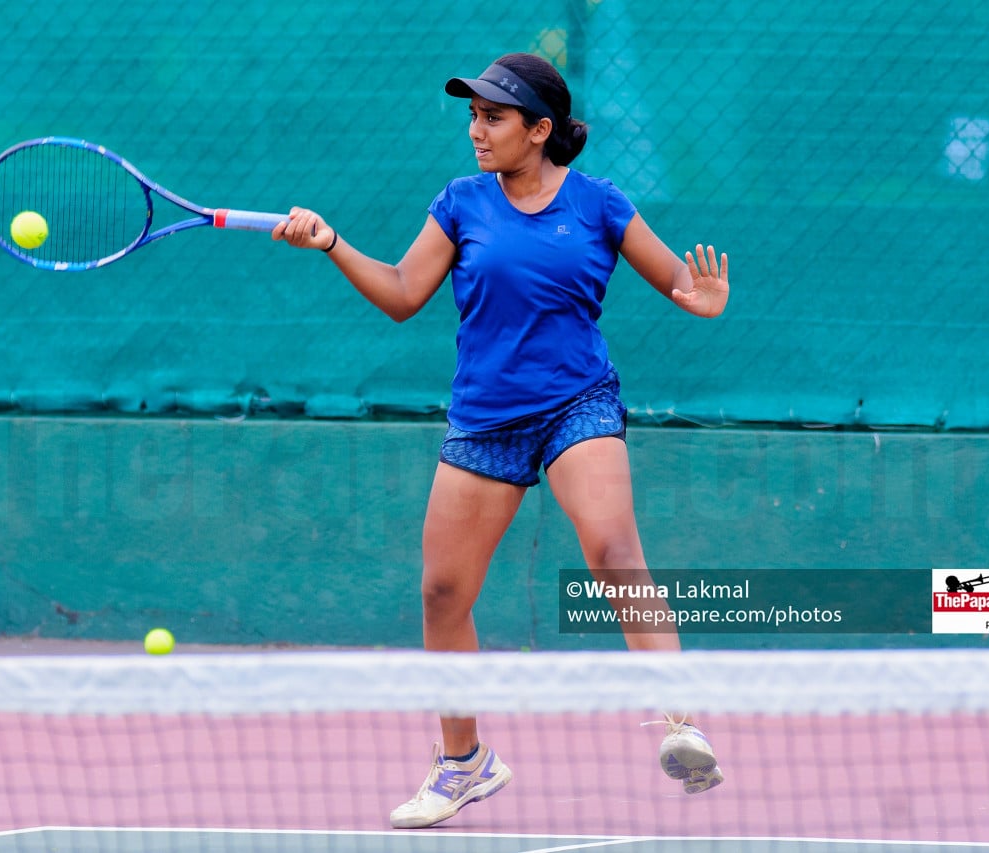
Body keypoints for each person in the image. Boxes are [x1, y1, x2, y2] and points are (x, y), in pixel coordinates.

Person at [273, 52, 730, 829]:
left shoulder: (600, 205)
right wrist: (332, 243)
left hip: (576, 403)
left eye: (495, 117)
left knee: (613, 547)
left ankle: (682, 723)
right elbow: (402, 294)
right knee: (443, 592)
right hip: (485, 418)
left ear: (540, 129)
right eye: (474, 117)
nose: (478, 131)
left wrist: (701, 297)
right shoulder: (459, 204)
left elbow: (678, 282)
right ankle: (464, 764)